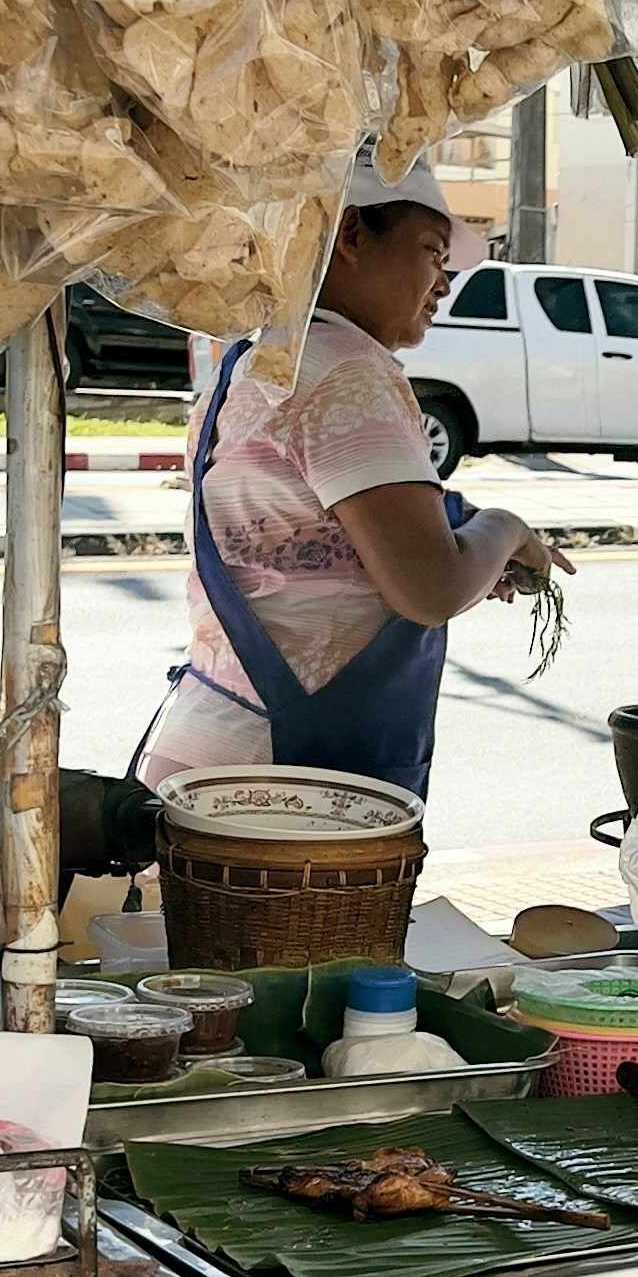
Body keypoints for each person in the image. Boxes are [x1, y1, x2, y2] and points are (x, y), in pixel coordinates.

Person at [138, 150, 567, 801]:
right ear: (352, 236)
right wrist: (504, 531)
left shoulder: (257, 365)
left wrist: (463, 538)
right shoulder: (350, 374)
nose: (444, 282)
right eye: (431, 251)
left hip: (210, 740)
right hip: (285, 777)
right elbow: (428, 588)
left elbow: (315, 553)